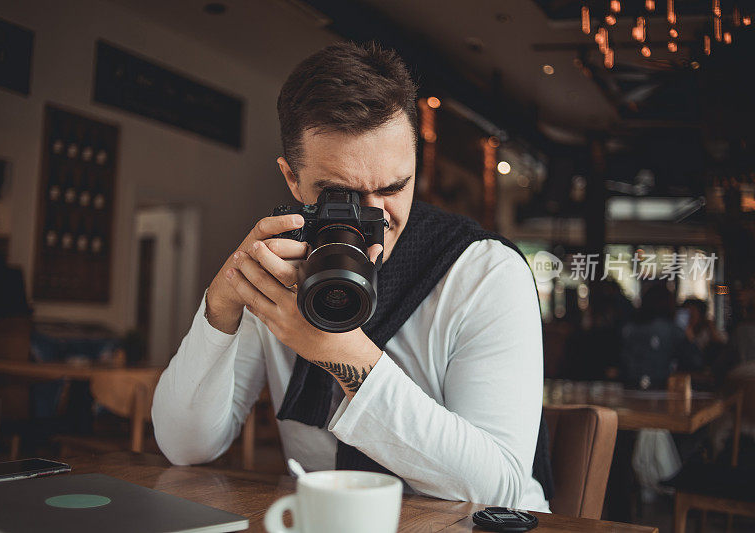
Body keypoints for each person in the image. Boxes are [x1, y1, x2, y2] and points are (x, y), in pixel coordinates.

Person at [151, 42, 549, 511]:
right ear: (292, 180)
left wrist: (342, 354)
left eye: (394, 187)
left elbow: (498, 488)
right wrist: (219, 309)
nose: (374, 217)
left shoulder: (485, 273)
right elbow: (186, 447)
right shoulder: (281, 268)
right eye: (342, 194)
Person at [619, 283, 702, 389]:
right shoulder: (673, 330)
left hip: (630, 386)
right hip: (661, 387)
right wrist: (690, 336)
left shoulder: (629, 329)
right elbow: (695, 362)